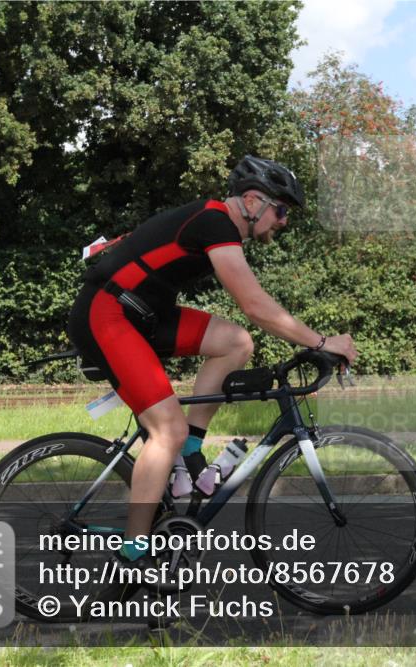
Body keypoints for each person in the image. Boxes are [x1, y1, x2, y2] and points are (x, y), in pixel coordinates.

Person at [67, 156, 357, 565]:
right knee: (163, 428)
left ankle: (189, 451)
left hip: (145, 314)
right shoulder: (216, 221)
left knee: (235, 342)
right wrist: (323, 341)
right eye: (282, 210)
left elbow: (249, 320)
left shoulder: (220, 226)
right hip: (108, 313)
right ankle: (134, 556)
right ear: (253, 201)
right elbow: (254, 304)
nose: (284, 221)